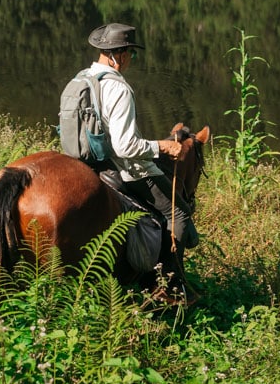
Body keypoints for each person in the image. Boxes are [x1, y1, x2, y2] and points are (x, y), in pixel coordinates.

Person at [80, 22, 200, 305]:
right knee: (180, 214)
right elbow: (125, 147)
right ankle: (169, 286)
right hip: (122, 168)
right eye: (130, 54)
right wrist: (161, 146)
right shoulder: (118, 88)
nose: (131, 60)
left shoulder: (82, 79)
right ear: (118, 55)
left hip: (89, 163)